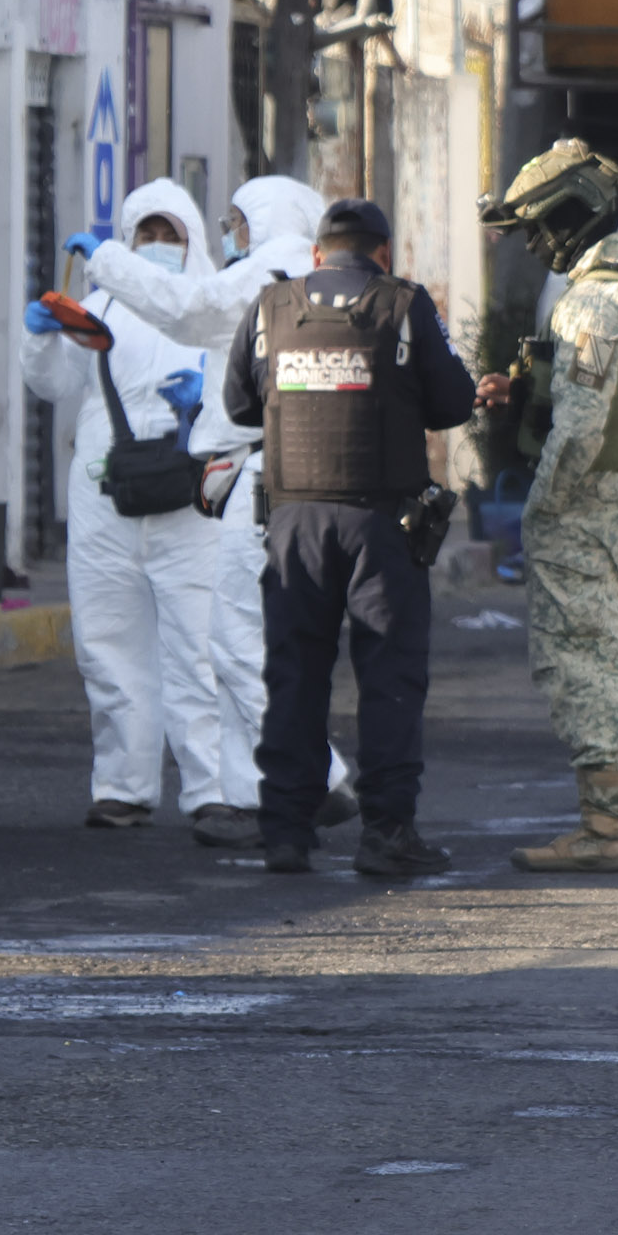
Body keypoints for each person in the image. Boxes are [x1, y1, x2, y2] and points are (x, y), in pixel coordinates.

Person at [82, 175, 357, 848]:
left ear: (266, 219)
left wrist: (107, 261)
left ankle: (312, 779)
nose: (232, 233)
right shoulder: (311, 273)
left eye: (238, 219)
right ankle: (255, 796)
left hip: (268, 479)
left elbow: (190, 309)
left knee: (239, 646)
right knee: (248, 645)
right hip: (274, 475)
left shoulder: (277, 266)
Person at [224, 196, 478, 877]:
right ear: (382, 253)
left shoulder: (271, 306)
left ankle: (285, 832)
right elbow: (455, 400)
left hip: (293, 521)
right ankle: (387, 833)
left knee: (294, 676)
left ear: (317, 253)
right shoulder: (403, 304)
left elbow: (239, 405)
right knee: (389, 678)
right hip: (381, 524)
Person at [475, 140, 618, 874]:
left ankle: (603, 829)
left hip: (590, 497)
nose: (533, 244)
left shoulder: (594, 298)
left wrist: (543, 505)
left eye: (536, 227)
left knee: (579, 659)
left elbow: (583, 422)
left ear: (572, 215)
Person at [20, 178, 233, 832]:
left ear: (193, 239)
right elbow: (54, 383)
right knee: (108, 641)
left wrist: (212, 396)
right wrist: (42, 338)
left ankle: (214, 786)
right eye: (149, 234)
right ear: (129, 238)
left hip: (192, 500)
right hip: (106, 494)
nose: (161, 246)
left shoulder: (214, 307)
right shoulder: (102, 307)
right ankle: (123, 785)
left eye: (172, 234)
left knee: (201, 644)